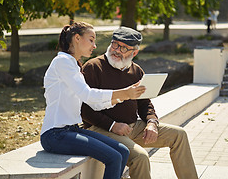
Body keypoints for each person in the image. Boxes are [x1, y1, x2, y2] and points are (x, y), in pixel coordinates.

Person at [81, 26, 198, 179]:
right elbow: (84, 108)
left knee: (179, 135)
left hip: (132, 128)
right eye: (115, 44)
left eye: (123, 48)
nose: (116, 50)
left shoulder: (136, 71)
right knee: (140, 157)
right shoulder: (93, 67)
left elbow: (145, 104)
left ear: (134, 52)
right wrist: (113, 125)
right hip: (102, 129)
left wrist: (151, 123)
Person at [40, 22, 146, 179]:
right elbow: (88, 95)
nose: (94, 45)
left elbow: (94, 103)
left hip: (71, 130)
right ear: (77, 38)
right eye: (91, 40)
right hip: (55, 134)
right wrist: (124, 93)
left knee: (123, 151)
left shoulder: (74, 65)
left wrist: (126, 95)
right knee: (114, 157)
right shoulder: (62, 62)